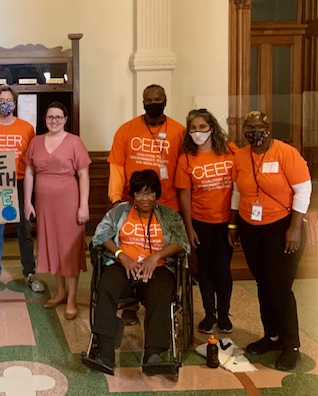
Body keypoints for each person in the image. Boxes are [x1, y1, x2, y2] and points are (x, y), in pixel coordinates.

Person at [229, 111, 311, 371]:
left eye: (258, 126)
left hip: (282, 227)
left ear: (268, 128)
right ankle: (271, 336)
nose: (254, 131)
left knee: (279, 287)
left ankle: (291, 345)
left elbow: (304, 189)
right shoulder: (241, 156)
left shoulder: (286, 153)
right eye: (248, 127)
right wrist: (233, 224)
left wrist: (295, 228)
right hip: (250, 227)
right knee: (263, 283)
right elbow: (236, 191)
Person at [89, 170, 190, 375]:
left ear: (157, 195)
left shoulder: (168, 215)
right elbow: (99, 236)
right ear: (133, 195)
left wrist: (156, 257)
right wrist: (121, 256)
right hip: (124, 267)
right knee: (107, 283)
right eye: (140, 193)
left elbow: (182, 242)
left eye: (150, 193)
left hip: (158, 269)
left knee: (162, 291)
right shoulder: (120, 212)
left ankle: (153, 353)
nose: (145, 199)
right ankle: (105, 351)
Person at [107, 84, 185, 325]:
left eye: (157, 98)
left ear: (165, 100)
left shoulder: (179, 132)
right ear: (142, 102)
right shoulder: (127, 130)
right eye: (148, 99)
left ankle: (156, 300)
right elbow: (117, 168)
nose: (153, 102)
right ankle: (131, 304)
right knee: (134, 250)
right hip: (133, 205)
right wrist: (116, 199)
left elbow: (186, 168)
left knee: (158, 260)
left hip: (167, 207)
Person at [24, 102, 90, 320]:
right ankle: (60, 291)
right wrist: (27, 201)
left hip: (69, 202)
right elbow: (30, 172)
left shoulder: (74, 142)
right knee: (52, 246)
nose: (54, 121)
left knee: (69, 249)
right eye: (50, 117)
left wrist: (83, 205)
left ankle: (71, 297)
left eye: (58, 117)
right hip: (45, 206)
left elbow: (83, 175)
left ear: (65, 119)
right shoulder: (36, 142)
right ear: (45, 118)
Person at [175, 109, 236, 334]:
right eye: (193, 128)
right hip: (200, 222)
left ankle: (224, 313)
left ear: (211, 127)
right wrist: (189, 228)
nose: (198, 132)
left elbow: (240, 187)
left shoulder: (230, 151)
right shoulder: (186, 159)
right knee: (204, 271)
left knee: (222, 270)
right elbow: (184, 195)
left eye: (202, 127)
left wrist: (233, 223)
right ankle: (209, 313)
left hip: (225, 223)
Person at [0, 86, 42, 293]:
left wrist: (29, 197)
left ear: (15, 103)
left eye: (9, 99)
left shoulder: (27, 128)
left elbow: (32, 160)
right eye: (1, 99)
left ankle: (30, 273)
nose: (5, 103)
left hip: (21, 182)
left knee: (24, 230)